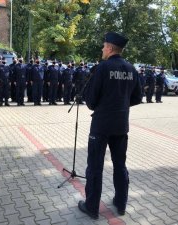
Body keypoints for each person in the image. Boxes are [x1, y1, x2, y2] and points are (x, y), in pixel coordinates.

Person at [78, 32, 142, 219]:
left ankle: (92, 207)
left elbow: (90, 101)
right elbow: (137, 98)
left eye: (104, 46)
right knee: (120, 164)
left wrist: (105, 106)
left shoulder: (103, 68)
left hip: (101, 125)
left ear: (111, 48)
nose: (102, 49)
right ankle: (121, 204)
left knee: (95, 166)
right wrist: (120, 104)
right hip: (121, 124)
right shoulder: (131, 69)